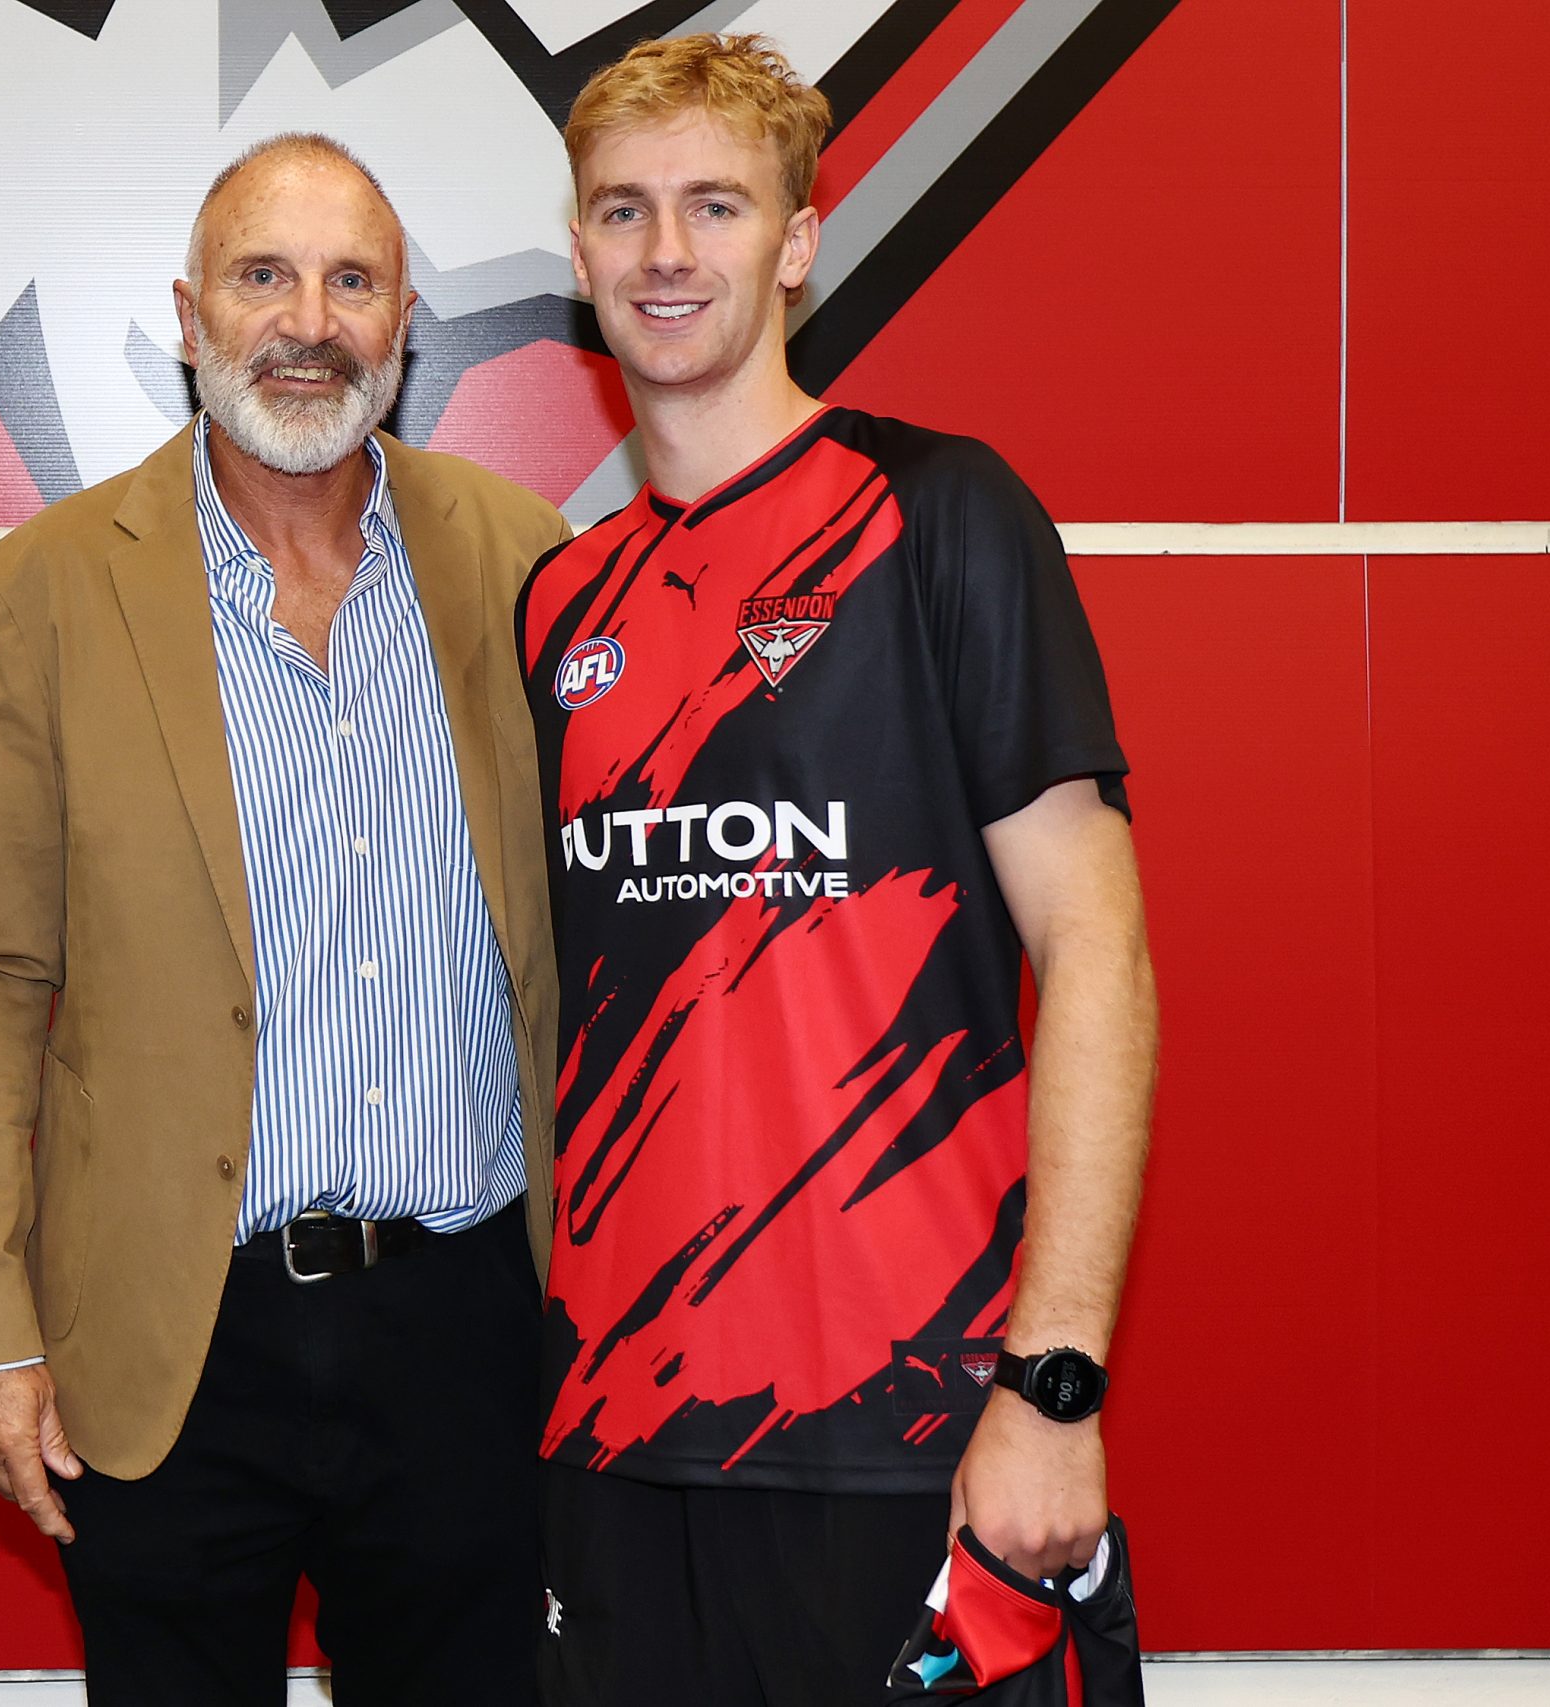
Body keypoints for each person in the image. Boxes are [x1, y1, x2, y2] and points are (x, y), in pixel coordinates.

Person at [519, 36, 1159, 1706]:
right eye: (624, 211)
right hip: (617, 1444)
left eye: (716, 206)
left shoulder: (940, 512)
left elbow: (1097, 949)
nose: (667, 252)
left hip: (910, 1430)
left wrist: (1054, 1386)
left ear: (798, 240)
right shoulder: (561, 603)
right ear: (579, 254)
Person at [0, 132, 568, 1706]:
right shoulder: (47, 589)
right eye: (264, 275)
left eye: (353, 282)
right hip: (170, 1333)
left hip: (470, 1323)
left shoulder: (527, 559)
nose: (308, 322)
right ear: (190, 313)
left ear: (405, 326)